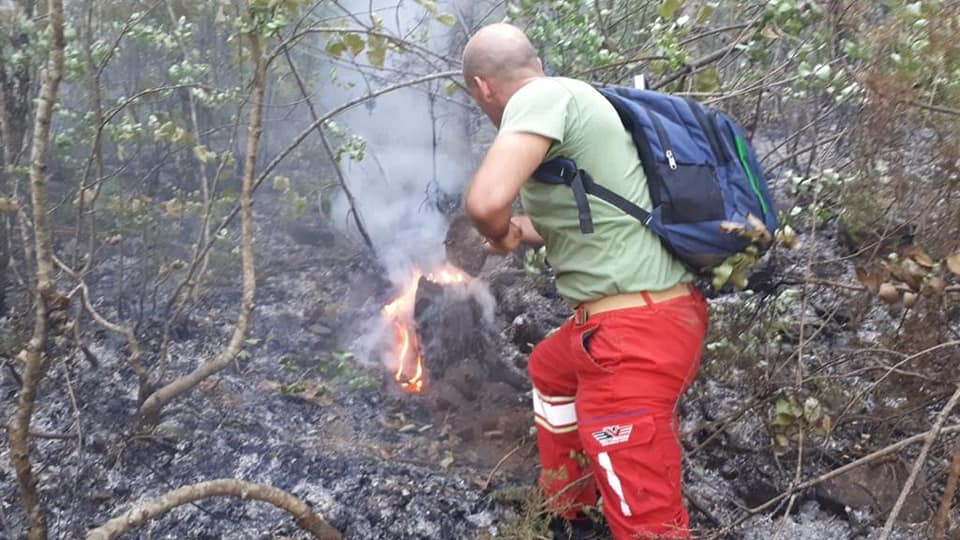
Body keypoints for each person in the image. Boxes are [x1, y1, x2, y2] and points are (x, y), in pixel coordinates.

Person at [461, 23, 709, 539]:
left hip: (633, 336)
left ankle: (613, 507)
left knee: (649, 522)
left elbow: (485, 203)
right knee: (551, 370)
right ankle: (571, 510)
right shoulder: (578, 102)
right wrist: (519, 233)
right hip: (643, 318)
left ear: (484, 86)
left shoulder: (537, 99)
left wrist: (501, 232)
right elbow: (576, 221)